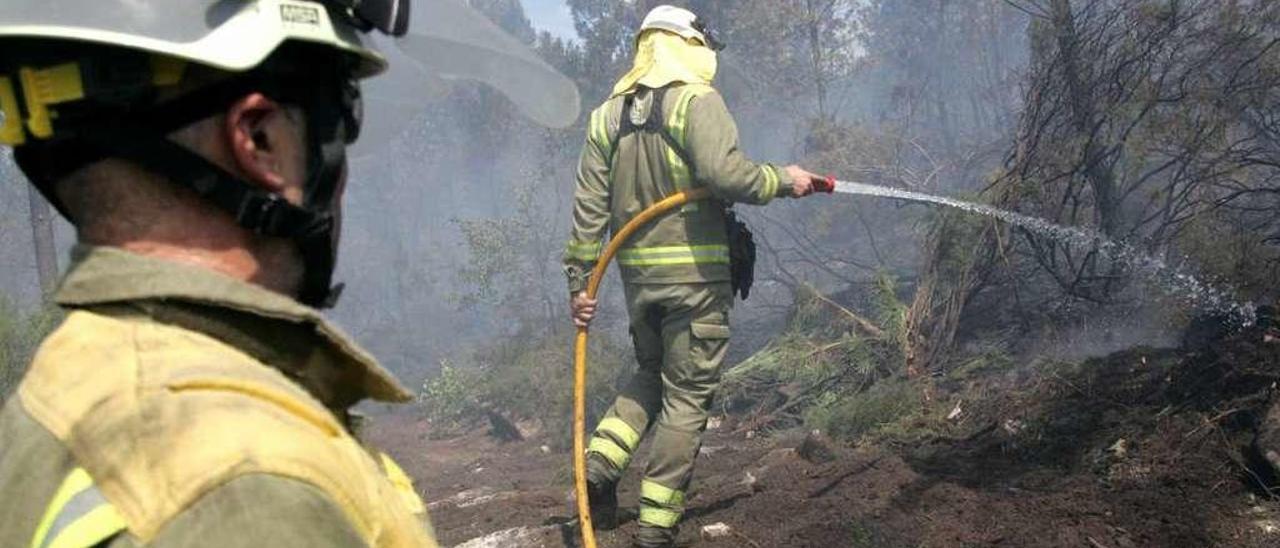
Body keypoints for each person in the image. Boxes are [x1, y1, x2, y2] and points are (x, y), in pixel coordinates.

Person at [0, 1, 434, 546]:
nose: (345, 179)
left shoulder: (53, 400)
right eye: (341, 121)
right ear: (259, 141)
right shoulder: (251, 488)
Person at [563, 5, 825, 547]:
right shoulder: (696, 101)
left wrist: (579, 283)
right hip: (697, 281)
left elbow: (589, 207)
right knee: (686, 396)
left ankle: (598, 469)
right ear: (687, 43)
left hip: (638, 280)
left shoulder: (606, 117)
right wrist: (784, 179)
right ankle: (656, 528)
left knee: (651, 373)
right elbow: (724, 175)